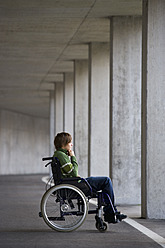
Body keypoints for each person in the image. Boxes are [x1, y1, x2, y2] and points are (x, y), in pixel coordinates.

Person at [53, 132, 127, 223]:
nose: (71, 144)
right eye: (69, 142)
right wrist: (73, 157)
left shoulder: (58, 154)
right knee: (106, 181)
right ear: (63, 144)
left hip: (72, 183)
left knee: (102, 182)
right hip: (75, 184)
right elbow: (74, 172)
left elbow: (70, 173)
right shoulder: (61, 155)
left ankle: (111, 212)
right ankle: (111, 213)